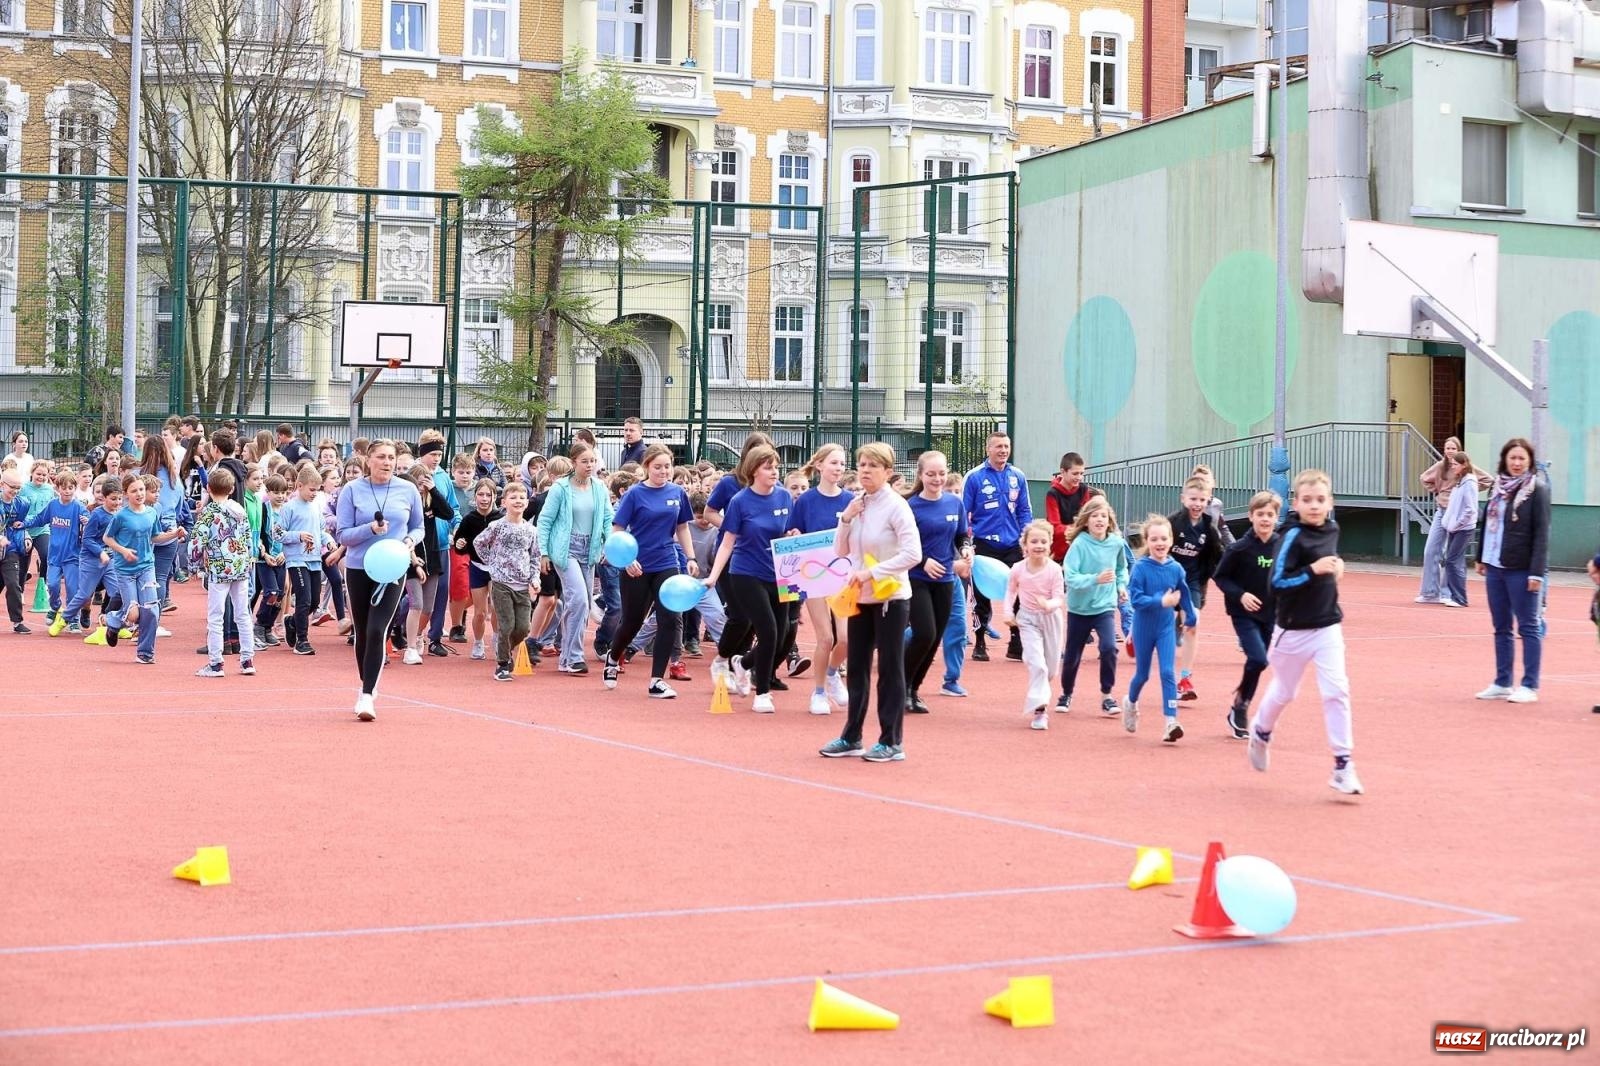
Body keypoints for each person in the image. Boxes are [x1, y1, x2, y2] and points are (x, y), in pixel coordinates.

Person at [1247, 469, 1362, 795]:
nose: (1314, 506)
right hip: (1292, 632)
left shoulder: (1333, 528)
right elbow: (1277, 583)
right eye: (1307, 500)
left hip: (1328, 626)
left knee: (1337, 690)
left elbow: (1330, 561)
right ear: (1295, 503)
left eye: (1321, 500)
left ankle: (1342, 764)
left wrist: (1337, 566)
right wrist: (1313, 570)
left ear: (1330, 503)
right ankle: (1261, 732)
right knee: (1285, 692)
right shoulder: (1291, 537)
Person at [816, 443, 920, 760]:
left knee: (888, 669)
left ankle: (891, 741)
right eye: (861, 464)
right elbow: (840, 552)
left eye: (873, 466)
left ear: (888, 472)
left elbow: (913, 554)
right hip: (860, 598)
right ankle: (851, 737)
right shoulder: (858, 503)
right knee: (857, 667)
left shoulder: (897, 507)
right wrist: (845, 519)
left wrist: (872, 573)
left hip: (891, 598)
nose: (864, 470)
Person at [335, 438, 426, 721]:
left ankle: (366, 695)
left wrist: (410, 540)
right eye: (381, 457)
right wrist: (370, 530)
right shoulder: (352, 490)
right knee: (362, 631)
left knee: (378, 630)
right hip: (360, 567)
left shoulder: (408, 489)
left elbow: (419, 526)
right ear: (368, 460)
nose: (387, 463)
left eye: (391, 458)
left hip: (393, 568)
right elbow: (343, 535)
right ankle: (367, 685)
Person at [603, 444, 697, 698]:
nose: (663, 471)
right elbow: (617, 531)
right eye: (658, 467)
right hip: (637, 566)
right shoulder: (634, 494)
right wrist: (627, 560)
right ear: (646, 468)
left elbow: (683, 528)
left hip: (666, 562)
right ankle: (613, 657)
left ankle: (657, 680)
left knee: (670, 618)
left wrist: (690, 557)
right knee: (632, 621)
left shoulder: (677, 493)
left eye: (667, 466)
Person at [703, 444, 793, 711]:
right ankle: (762, 693)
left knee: (782, 633)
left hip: (780, 573)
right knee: (768, 630)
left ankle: (741, 663)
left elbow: (788, 533)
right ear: (754, 471)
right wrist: (713, 576)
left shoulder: (785, 497)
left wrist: (793, 537)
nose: (774, 472)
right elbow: (728, 543)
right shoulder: (739, 501)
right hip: (746, 572)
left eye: (776, 466)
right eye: (768, 467)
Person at [1473, 437, 1549, 704]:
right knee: (1501, 626)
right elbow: (1487, 521)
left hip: (1521, 568)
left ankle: (1529, 685)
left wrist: (1536, 572)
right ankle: (1503, 682)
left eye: (1522, 459)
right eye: (1512, 458)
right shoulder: (1497, 486)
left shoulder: (1536, 489)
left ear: (1529, 462)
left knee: (1528, 627)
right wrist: (1481, 556)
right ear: (1505, 459)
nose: (1516, 463)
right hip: (1494, 566)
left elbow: (1541, 533)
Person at [536, 441, 612, 676]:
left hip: (590, 551)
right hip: (565, 549)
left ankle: (567, 656)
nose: (590, 465)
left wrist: (608, 546)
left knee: (583, 604)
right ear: (573, 463)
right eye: (584, 461)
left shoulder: (599, 487)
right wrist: (544, 552)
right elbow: (545, 521)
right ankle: (575, 657)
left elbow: (608, 519)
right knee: (578, 599)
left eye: (593, 461)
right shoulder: (560, 488)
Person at [903, 450, 969, 715]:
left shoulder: (954, 504)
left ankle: (913, 690)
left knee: (935, 638)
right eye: (931, 474)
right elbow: (901, 543)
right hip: (916, 578)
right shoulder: (910, 506)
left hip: (945, 580)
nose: (937, 479)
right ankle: (901, 685)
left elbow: (962, 535)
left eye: (941, 473)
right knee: (925, 632)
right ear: (920, 475)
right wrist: (923, 561)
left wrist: (966, 550)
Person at [1212, 491, 1283, 740]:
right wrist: (1241, 595)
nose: (1265, 519)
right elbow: (1220, 577)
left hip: (1271, 613)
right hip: (1243, 613)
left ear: (1276, 517)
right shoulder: (1239, 548)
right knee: (1259, 659)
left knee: (1259, 661)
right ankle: (1241, 706)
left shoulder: (1280, 546)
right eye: (1260, 514)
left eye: (1270, 515)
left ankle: (1238, 705)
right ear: (1251, 516)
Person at [792, 443, 855, 714]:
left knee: (846, 638)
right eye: (833, 463)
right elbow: (794, 532)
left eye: (841, 464)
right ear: (819, 466)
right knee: (825, 638)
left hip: (843, 576)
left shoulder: (850, 500)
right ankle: (818, 692)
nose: (838, 468)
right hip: (814, 576)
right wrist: (793, 536)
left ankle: (832, 674)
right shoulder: (806, 500)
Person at [1123, 514, 1196, 743]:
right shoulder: (1141, 568)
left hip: (1165, 628)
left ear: (1171, 540)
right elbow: (1135, 601)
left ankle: (1170, 722)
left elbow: (1183, 592)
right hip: (1144, 628)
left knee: (1167, 672)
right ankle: (1131, 703)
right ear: (1147, 541)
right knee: (1142, 675)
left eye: (1164, 538)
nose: (1160, 543)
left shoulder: (1176, 568)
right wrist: (1160, 601)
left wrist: (1191, 616)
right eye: (1154, 539)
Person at [102, 473, 185, 664]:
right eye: (134, 491)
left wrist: (174, 534)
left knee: (152, 610)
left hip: (147, 567)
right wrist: (123, 551)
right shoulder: (121, 516)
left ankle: (145, 653)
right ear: (125, 494)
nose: (139, 494)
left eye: (141, 489)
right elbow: (107, 538)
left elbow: (156, 536)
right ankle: (114, 621)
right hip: (125, 570)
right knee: (134, 614)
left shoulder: (151, 512)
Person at [962, 431, 1030, 662]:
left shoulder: (1017, 476)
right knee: (981, 596)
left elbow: (1024, 510)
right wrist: (967, 542)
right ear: (988, 449)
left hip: (1013, 544)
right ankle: (980, 642)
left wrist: (1026, 538)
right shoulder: (974, 477)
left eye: (1006, 446)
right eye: (998, 446)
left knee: (1019, 592)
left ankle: (1016, 641)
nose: (1003, 450)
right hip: (985, 545)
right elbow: (964, 512)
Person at [1058, 497, 1128, 718]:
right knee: (1071, 657)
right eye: (1095, 516)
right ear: (1086, 521)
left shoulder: (1116, 543)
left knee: (1109, 648)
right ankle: (1066, 693)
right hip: (1079, 608)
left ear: (1109, 521)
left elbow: (1121, 569)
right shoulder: (1080, 544)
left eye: (1103, 516)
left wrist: (1121, 586)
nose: (1099, 520)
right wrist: (1094, 579)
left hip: (1104, 607)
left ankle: (1107, 695)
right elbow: (1070, 577)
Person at [190, 467, 258, 677]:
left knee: (216, 615)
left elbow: (196, 543)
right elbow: (248, 538)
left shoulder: (208, 514)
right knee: (243, 614)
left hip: (219, 569)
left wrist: (193, 564)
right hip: (240, 567)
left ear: (208, 488)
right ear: (230, 489)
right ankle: (247, 660)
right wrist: (247, 559)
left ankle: (216, 663)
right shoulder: (239, 510)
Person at [1002, 519, 1068, 732]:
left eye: (1043, 541)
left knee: (1049, 670)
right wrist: (1008, 612)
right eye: (1034, 541)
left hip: (1051, 619)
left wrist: (1049, 604)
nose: (1038, 545)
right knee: (1037, 665)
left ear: (1050, 545)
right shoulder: (1018, 569)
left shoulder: (1055, 570)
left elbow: (1059, 597)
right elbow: (1011, 591)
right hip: (1028, 619)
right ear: (1025, 545)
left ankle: (1041, 694)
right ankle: (1040, 711)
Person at [473, 480, 540, 682]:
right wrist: (492, 563)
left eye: (521, 498)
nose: (518, 501)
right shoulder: (497, 526)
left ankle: (505, 650)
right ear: (504, 502)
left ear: (527, 503)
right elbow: (479, 543)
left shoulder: (531, 530)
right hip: (501, 583)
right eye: (513, 498)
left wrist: (534, 578)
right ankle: (502, 664)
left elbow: (535, 556)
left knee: (524, 628)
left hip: (522, 584)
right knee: (507, 624)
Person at [1417, 437, 1491, 606]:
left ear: (1459, 451)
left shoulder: (1467, 474)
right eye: (1447, 448)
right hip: (1442, 512)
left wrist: (1468, 490)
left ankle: (1447, 592)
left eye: (1453, 448)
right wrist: (1438, 491)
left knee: (1451, 555)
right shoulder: (1440, 466)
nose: (1450, 451)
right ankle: (1429, 592)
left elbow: (1487, 480)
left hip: (1458, 515)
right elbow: (1424, 478)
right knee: (1431, 550)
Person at [1168, 477, 1223, 702]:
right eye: (1193, 499)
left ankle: (1185, 678)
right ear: (1183, 499)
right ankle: (1135, 635)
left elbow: (1217, 559)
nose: (1197, 503)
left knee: (1193, 624)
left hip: (1191, 584)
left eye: (1202, 499)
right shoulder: (1172, 523)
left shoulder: (1209, 529)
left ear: (1208, 500)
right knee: (1156, 624)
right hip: (1167, 580)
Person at [399, 464, 454, 665]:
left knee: (428, 607)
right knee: (416, 603)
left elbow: (448, 513)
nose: (422, 485)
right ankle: (410, 647)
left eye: (426, 480)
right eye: (420, 481)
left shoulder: (430, 502)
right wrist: (413, 559)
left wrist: (434, 490)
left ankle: (417, 633)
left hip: (431, 557)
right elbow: (405, 534)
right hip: (410, 560)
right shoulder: (406, 505)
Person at [279, 465, 332, 656]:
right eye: (311, 490)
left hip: (315, 559)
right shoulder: (289, 507)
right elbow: (277, 533)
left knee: (314, 601)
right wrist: (297, 536)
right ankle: (302, 639)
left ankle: (292, 622)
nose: (314, 494)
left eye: (317, 490)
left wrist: (329, 541)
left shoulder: (316, 507)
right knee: (304, 598)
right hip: (296, 559)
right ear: (299, 486)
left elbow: (321, 531)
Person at [453, 479, 502, 660]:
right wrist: (460, 544)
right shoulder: (469, 519)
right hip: (477, 567)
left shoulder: (500, 519)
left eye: (488, 495)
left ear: (494, 497)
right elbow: (460, 546)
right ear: (475, 497)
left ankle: (497, 639)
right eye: (481, 494)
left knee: (496, 607)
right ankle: (479, 642)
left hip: (496, 569)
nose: (484, 498)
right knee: (480, 611)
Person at [0, 471, 48, 634]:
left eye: (18, 488)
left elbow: (18, 524)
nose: (15, 491)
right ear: (2, 485)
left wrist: (25, 536)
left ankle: (17, 621)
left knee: (13, 584)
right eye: (11, 487)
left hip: (10, 549)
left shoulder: (22, 504)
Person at [41, 470, 86, 632]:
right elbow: (40, 519)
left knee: (73, 589)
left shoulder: (79, 507)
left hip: (72, 556)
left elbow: (88, 519)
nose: (67, 491)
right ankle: (55, 607)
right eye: (64, 487)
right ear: (58, 488)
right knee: (52, 584)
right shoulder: (53, 505)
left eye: (71, 487)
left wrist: (87, 521)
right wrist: (23, 523)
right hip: (54, 555)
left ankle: (74, 619)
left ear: (75, 488)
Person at [1438, 450, 1481, 609]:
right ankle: (1456, 596)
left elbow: (1470, 509)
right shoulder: (1460, 481)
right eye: (1452, 464)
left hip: (1463, 528)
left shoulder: (1469, 482)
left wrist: (1456, 524)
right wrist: (1447, 522)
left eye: (1456, 464)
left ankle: (1460, 598)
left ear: (1464, 465)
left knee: (1451, 560)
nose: (1453, 467)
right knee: (1455, 561)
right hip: (1455, 527)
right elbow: (1454, 506)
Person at [1045, 452, 1100, 562]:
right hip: (1059, 551)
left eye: (1081, 473)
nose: (1079, 477)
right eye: (1075, 474)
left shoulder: (1083, 490)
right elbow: (1054, 526)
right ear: (1063, 472)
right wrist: (1077, 528)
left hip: (1078, 547)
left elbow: (1086, 517)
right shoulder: (1053, 494)